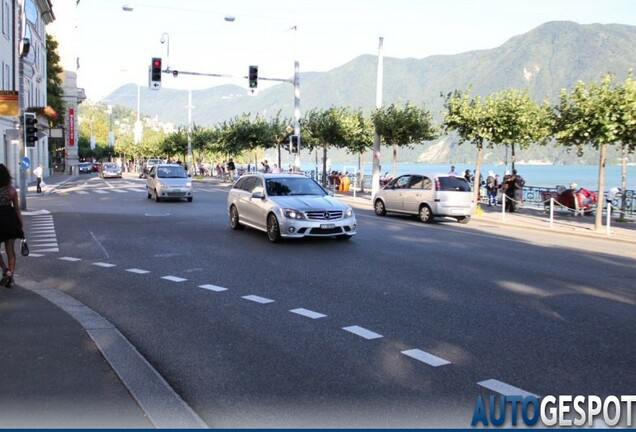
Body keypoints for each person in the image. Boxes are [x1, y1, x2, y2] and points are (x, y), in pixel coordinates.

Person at [0, 164, 24, 288]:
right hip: (10, 221)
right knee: (10, 251)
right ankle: (11, 278)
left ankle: (5, 270)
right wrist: (21, 225)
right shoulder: (11, 190)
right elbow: (17, 209)